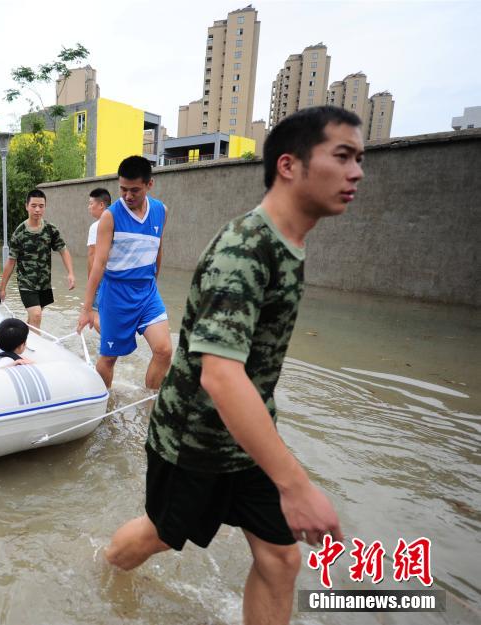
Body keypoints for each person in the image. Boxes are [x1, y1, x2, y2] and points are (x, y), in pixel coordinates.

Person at [104, 106, 363, 625]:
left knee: (280, 556)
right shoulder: (246, 249)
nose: (357, 172)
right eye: (342, 156)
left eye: (359, 158)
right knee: (159, 536)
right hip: (195, 440)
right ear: (289, 165)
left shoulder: (287, 243)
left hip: (248, 435)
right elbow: (219, 374)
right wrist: (297, 485)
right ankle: (103, 568)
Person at [77, 156, 173, 390]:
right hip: (116, 295)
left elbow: (158, 249)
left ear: (149, 184)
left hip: (147, 292)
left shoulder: (161, 211)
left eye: (134, 190)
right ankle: (104, 405)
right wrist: (87, 308)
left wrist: (154, 284)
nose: (128, 196)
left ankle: (148, 406)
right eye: (123, 189)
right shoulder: (110, 216)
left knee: (164, 351)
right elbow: (98, 263)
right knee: (109, 358)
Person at [0, 189, 76, 330]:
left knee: (34, 317)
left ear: (45, 207)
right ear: (26, 206)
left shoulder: (51, 230)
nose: (37, 209)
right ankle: (35, 349)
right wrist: (2, 288)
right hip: (26, 283)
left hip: (44, 283)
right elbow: (11, 262)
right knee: (36, 315)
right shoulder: (19, 233)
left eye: (41, 206)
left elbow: (63, 250)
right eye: (34, 205)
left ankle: (21, 338)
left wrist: (70, 273)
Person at [85, 187, 110, 333]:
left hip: (101, 278)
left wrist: (91, 283)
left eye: (90, 203)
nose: (89, 207)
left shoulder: (97, 226)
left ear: (101, 205)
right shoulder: (116, 222)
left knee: (95, 318)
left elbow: (92, 254)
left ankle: (111, 349)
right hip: (117, 278)